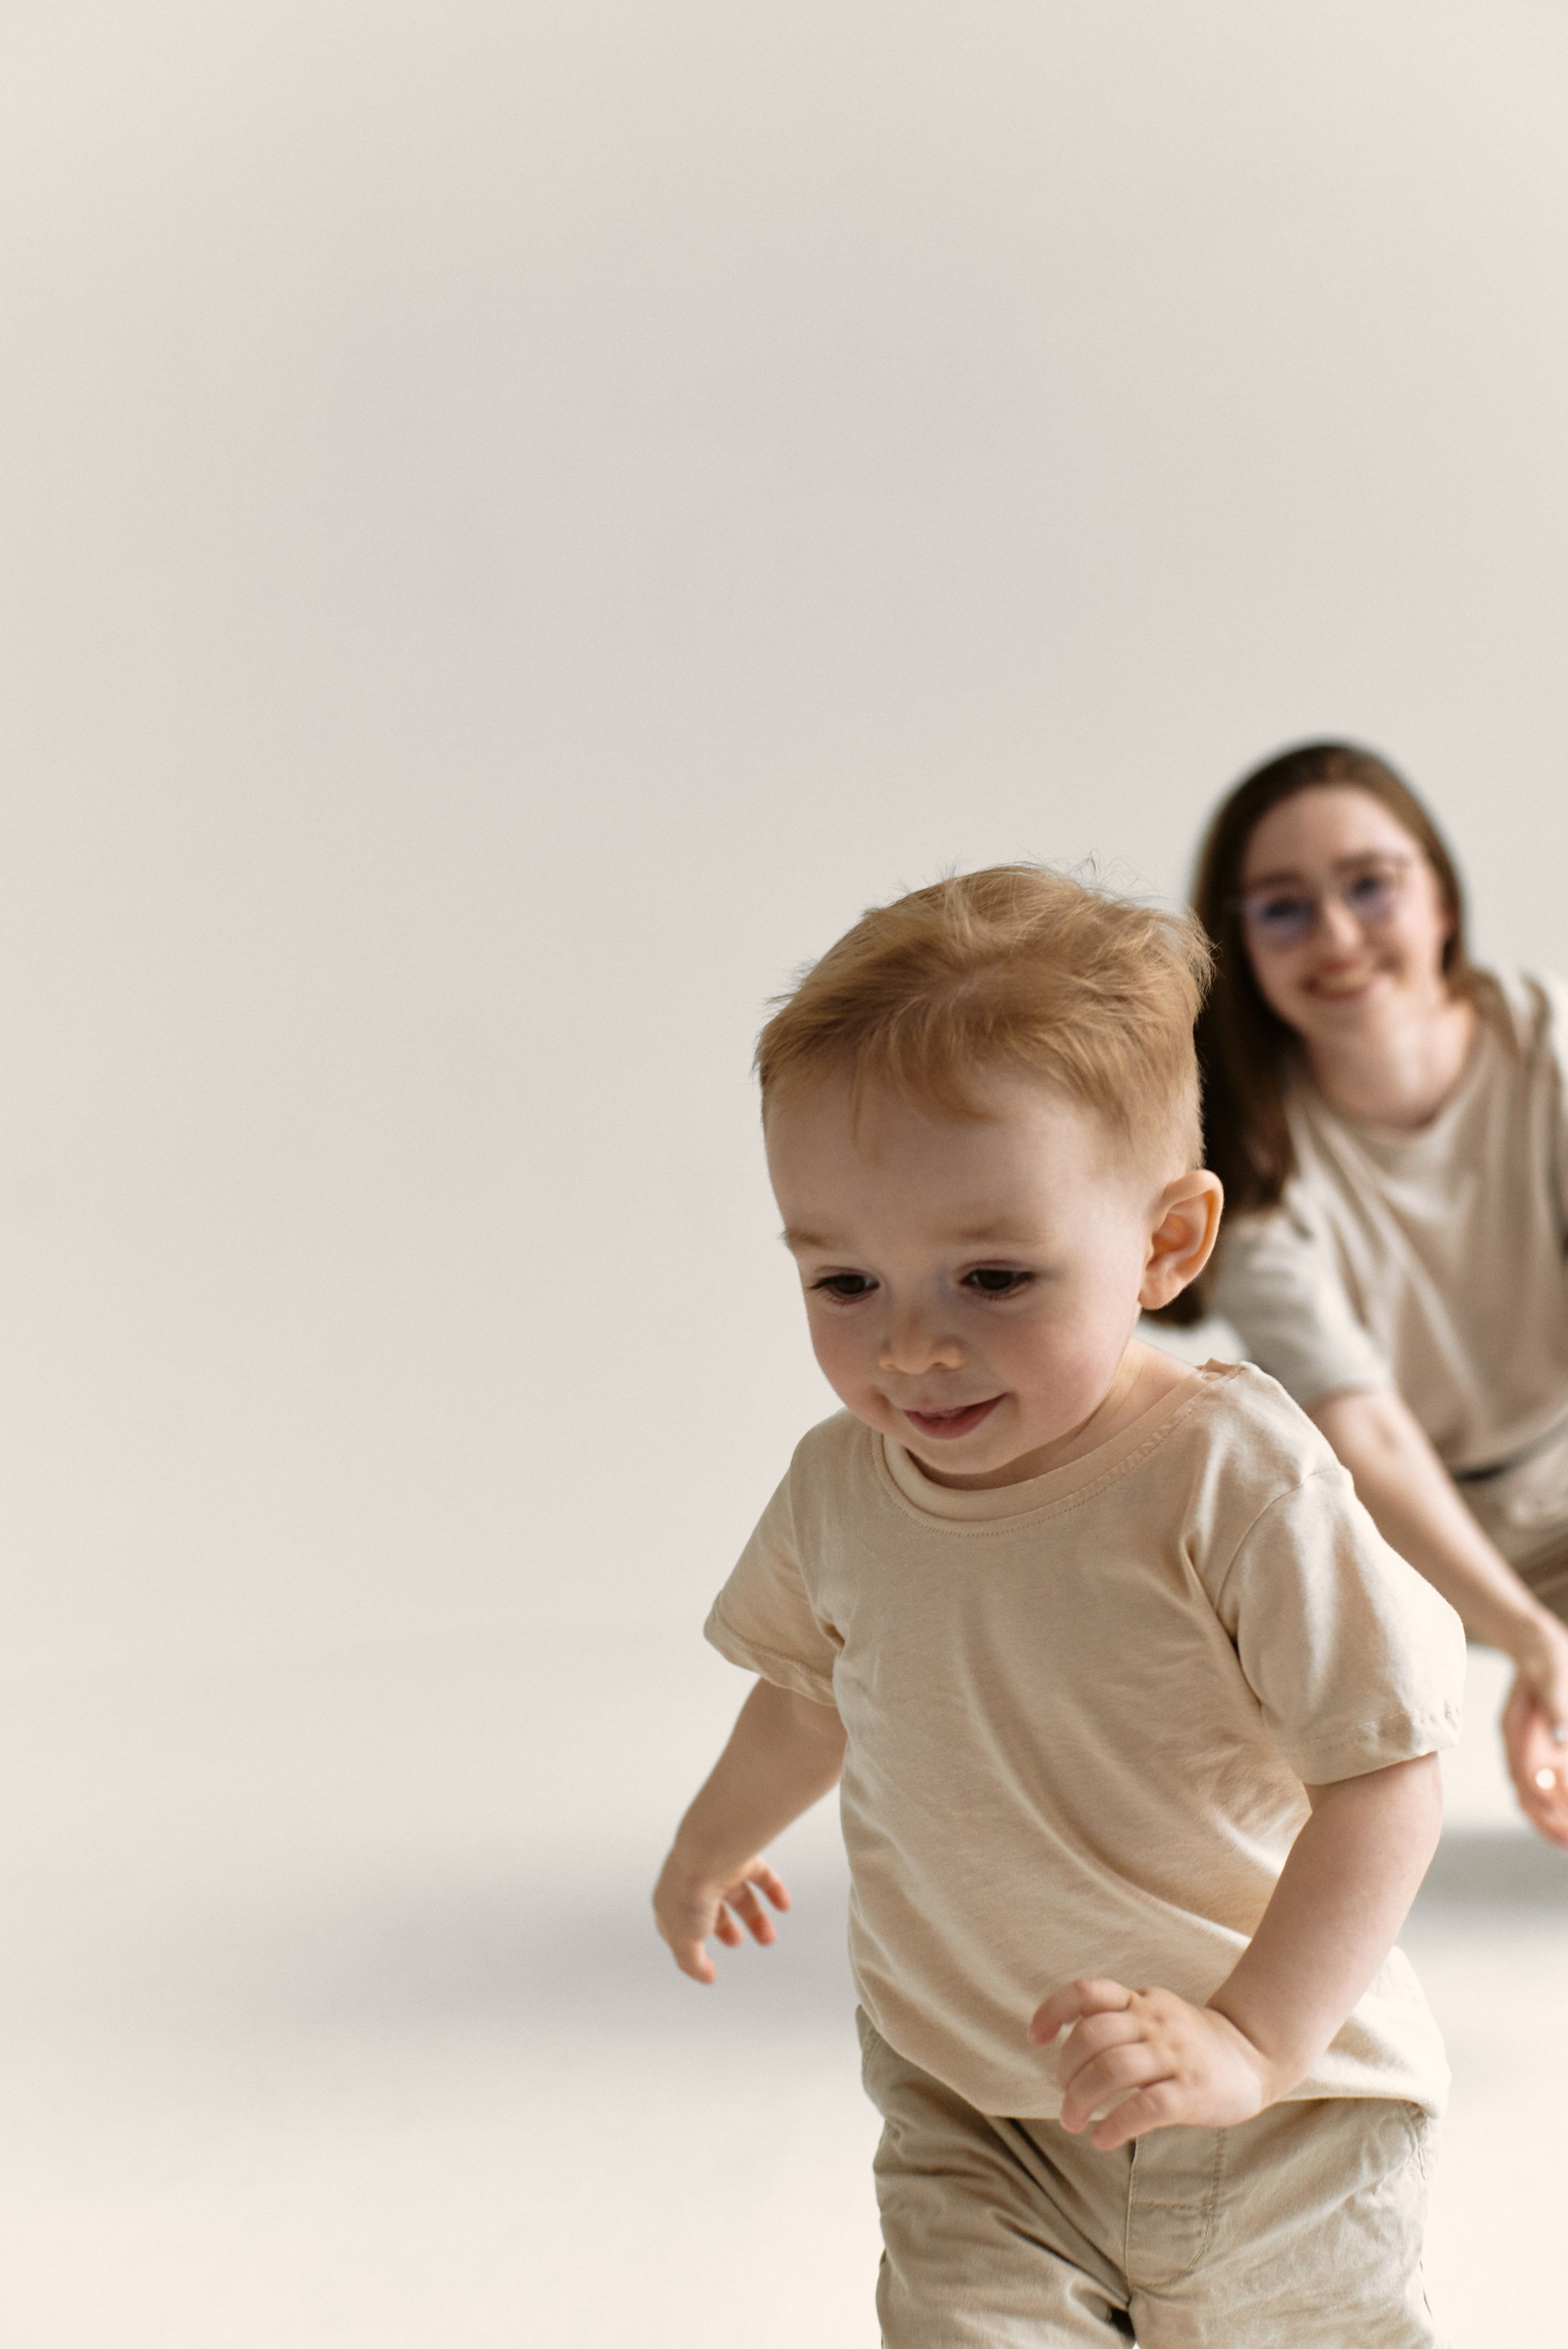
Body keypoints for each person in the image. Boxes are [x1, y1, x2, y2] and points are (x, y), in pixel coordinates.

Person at [652, 867, 1464, 2346]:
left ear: (1164, 1243)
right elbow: (808, 1688)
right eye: (842, 1280)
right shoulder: (840, 1489)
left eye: (993, 1276)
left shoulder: (1231, 1477)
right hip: (976, 2105)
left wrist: (1247, 2037)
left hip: (1279, 2116)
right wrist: (713, 1837)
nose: (910, 1348)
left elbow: (1385, 1772)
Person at [1189, 741, 1568, 1849]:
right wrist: (1533, 1640)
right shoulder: (1252, 1163)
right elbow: (1363, 1428)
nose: (1339, 936)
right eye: (1284, 909)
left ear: (1440, 894)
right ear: (1241, 942)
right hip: (1388, 1538)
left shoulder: (1543, 1054)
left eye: (1369, 886)